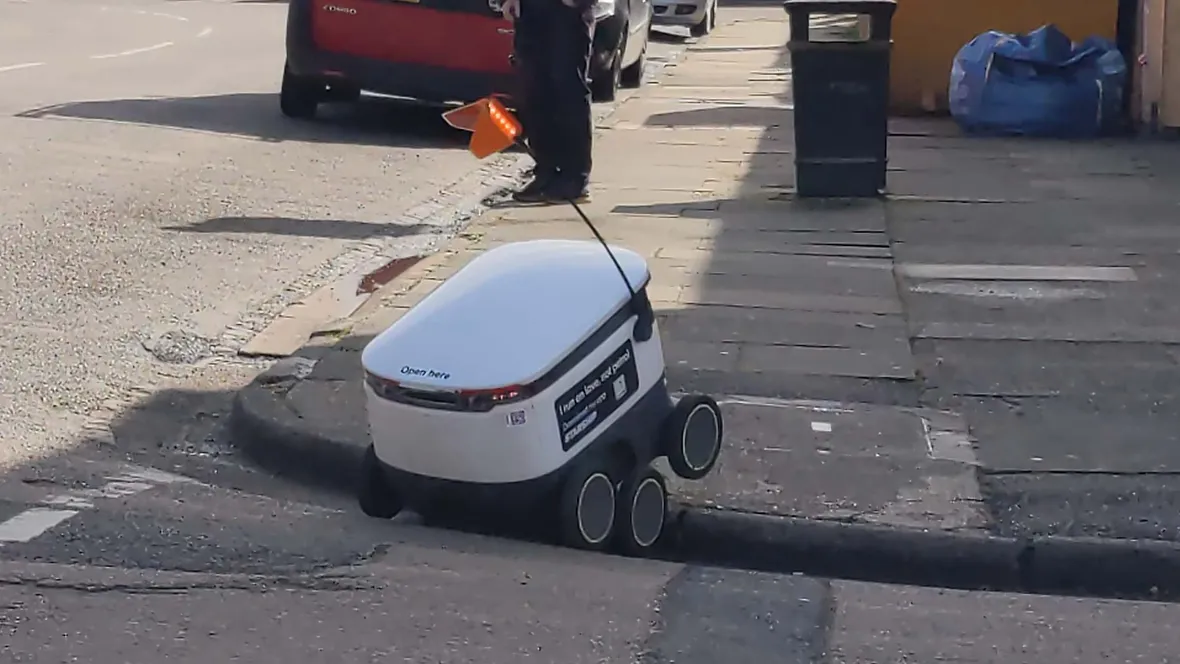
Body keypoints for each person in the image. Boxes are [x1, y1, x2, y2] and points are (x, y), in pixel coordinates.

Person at [500, 0, 595, 204]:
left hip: (567, 13)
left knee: (568, 93)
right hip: (531, 12)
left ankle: (575, 178)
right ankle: (545, 173)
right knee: (534, 94)